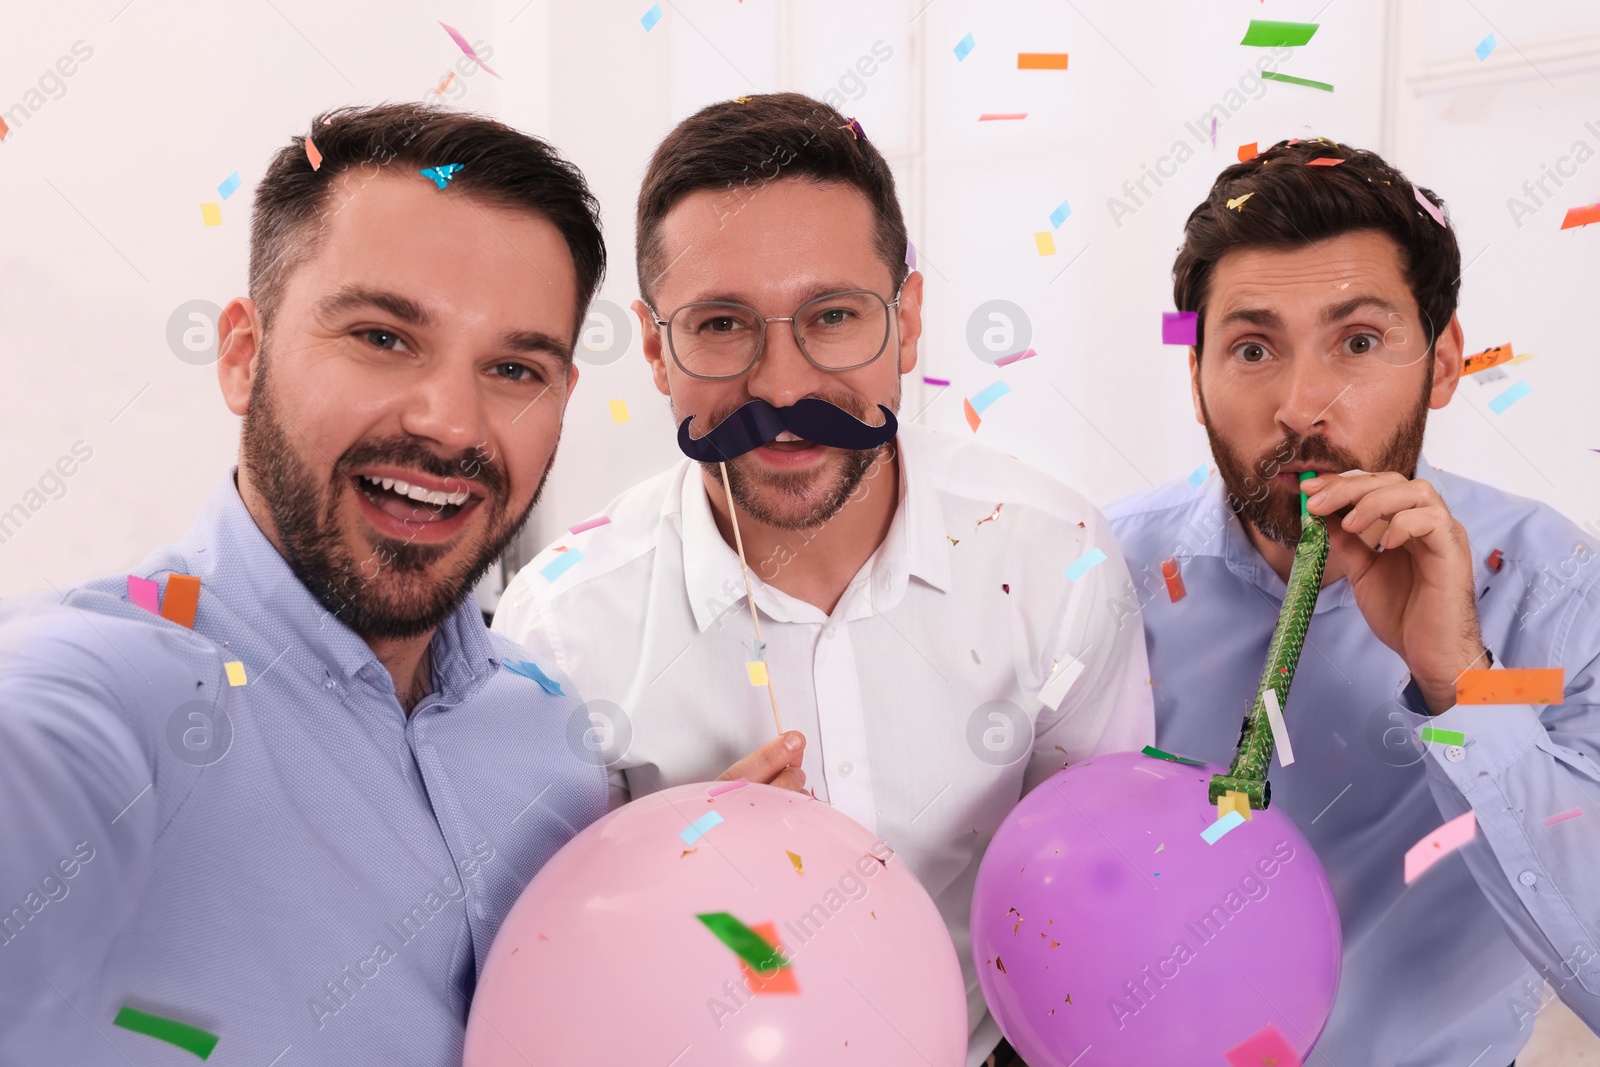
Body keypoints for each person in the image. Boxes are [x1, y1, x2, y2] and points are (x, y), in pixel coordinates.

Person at [0, 103, 798, 1066]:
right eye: (382, 337)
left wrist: (658, 881)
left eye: (513, 367)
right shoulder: (112, 683)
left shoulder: (549, 736)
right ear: (243, 355)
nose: (452, 423)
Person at [491, 92, 1155, 1066]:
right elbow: (548, 979)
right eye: (720, 324)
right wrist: (668, 891)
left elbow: (1105, 896)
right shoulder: (556, 627)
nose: (781, 388)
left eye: (833, 315)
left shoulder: (1055, 557)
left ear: (909, 321)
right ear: (652, 349)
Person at [1105, 139, 1600, 1065]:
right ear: (1197, 377)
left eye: (1359, 342)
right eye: (1252, 347)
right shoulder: (1101, 574)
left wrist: (1463, 685)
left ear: (1444, 361)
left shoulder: (1561, 590)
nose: (1301, 405)